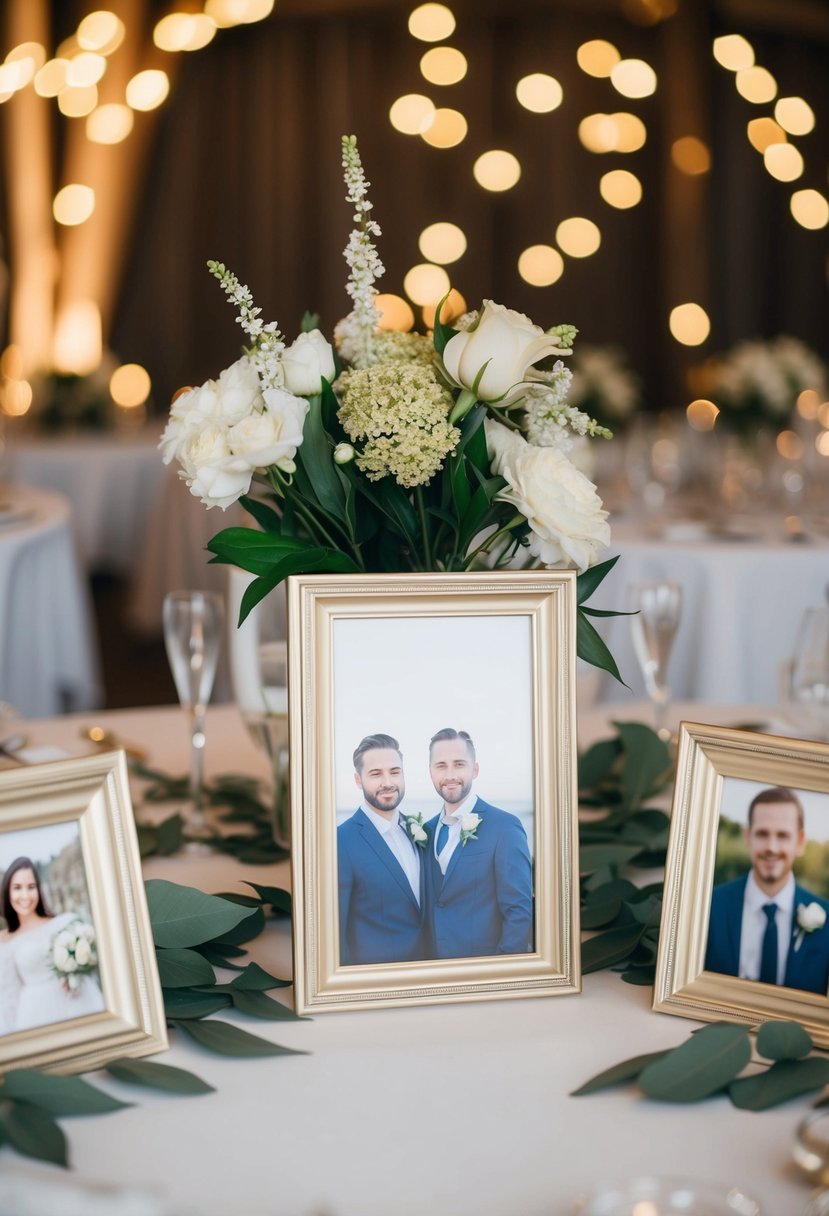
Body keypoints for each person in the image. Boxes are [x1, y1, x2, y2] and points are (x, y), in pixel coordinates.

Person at [705, 787, 829, 994]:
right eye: (763, 834)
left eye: (782, 835)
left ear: (799, 842)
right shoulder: (709, 905)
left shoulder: (828, 919)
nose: (771, 847)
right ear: (748, 836)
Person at [424, 728, 533, 959]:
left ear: (475, 770)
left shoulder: (505, 827)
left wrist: (500, 973)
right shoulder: (427, 831)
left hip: (484, 970)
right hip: (433, 971)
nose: (450, 774)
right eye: (441, 765)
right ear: (430, 772)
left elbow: (519, 912)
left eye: (459, 764)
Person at [337, 734, 428, 966]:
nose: (387, 782)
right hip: (376, 976)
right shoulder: (341, 840)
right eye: (376, 774)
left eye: (394, 772)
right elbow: (336, 929)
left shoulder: (419, 829)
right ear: (358, 780)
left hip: (428, 969)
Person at [0, 856, 105, 1034]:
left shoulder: (66, 923)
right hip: (34, 1016)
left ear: (39, 890)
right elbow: (8, 995)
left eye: (31, 887)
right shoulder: (5, 940)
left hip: (78, 1003)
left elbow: (93, 963)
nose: (24, 895)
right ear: (7, 892)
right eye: (17, 888)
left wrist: (76, 975)